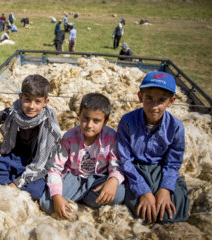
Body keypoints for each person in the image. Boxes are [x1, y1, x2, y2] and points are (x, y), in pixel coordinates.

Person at [0, 74, 61, 200]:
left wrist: (16, 183)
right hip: (12, 157)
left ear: (45, 102)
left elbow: (45, 164)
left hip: (34, 163)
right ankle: (16, 180)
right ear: (20, 97)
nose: (31, 106)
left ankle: (15, 180)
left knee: (36, 191)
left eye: (37, 101)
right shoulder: (13, 112)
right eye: (27, 100)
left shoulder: (50, 126)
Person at [117, 71, 190, 223]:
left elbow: (173, 163)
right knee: (142, 211)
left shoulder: (175, 127)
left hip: (161, 169)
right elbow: (125, 160)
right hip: (135, 171)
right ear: (140, 97)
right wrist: (143, 191)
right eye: (149, 98)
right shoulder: (127, 122)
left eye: (161, 100)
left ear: (171, 101)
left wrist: (165, 189)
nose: (154, 106)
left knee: (171, 211)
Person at [39, 93, 125, 219]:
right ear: (79, 115)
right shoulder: (69, 137)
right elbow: (55, 168)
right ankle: (83, 198)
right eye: (86, 118)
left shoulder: (111, 137)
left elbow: (116, 164)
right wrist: (57, 196)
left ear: (105, 121)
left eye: (96, 121)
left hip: (98, 179)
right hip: (74, 178)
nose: (89, 125)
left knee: (119, 194)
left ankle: (80, 197)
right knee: (47, 203)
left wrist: (113, 180)